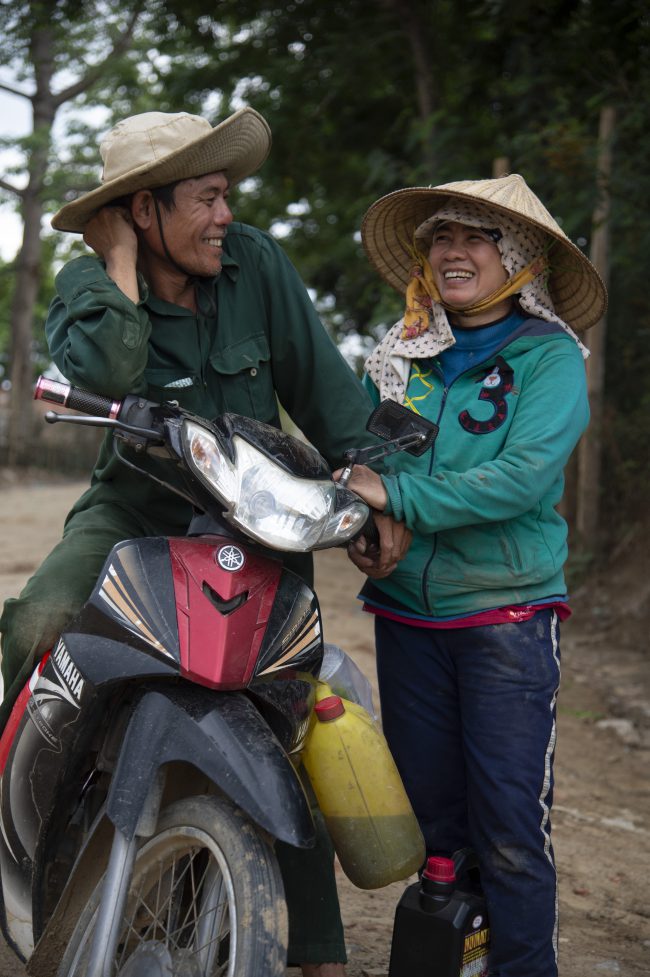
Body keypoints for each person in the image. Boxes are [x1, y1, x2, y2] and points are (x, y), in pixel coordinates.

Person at [0, 107, 409, 977]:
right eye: (207, 198)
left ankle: (315, 951)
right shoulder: (87, 281)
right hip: (135, 515)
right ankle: (18, 840)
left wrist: (378, 489)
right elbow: (103, 372)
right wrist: (116, 262)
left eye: (228, 196)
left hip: (254, 523)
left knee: (283, 695)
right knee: (38, 623)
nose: (226, 215)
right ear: (142, 211)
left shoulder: (256, 264)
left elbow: (331, 398)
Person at [335, 174, 606, 977]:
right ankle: (450, 957)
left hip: (505, 619)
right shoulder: (402, 357)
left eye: (476, 237)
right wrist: (369, 522)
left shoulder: (548, 359)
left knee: (511, 828)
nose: (453, 251)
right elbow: (363, 464)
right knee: (437, 827)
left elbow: (521, 479)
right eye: (441, 238)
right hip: (406, 616)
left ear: (518, 257)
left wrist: (397, 496)